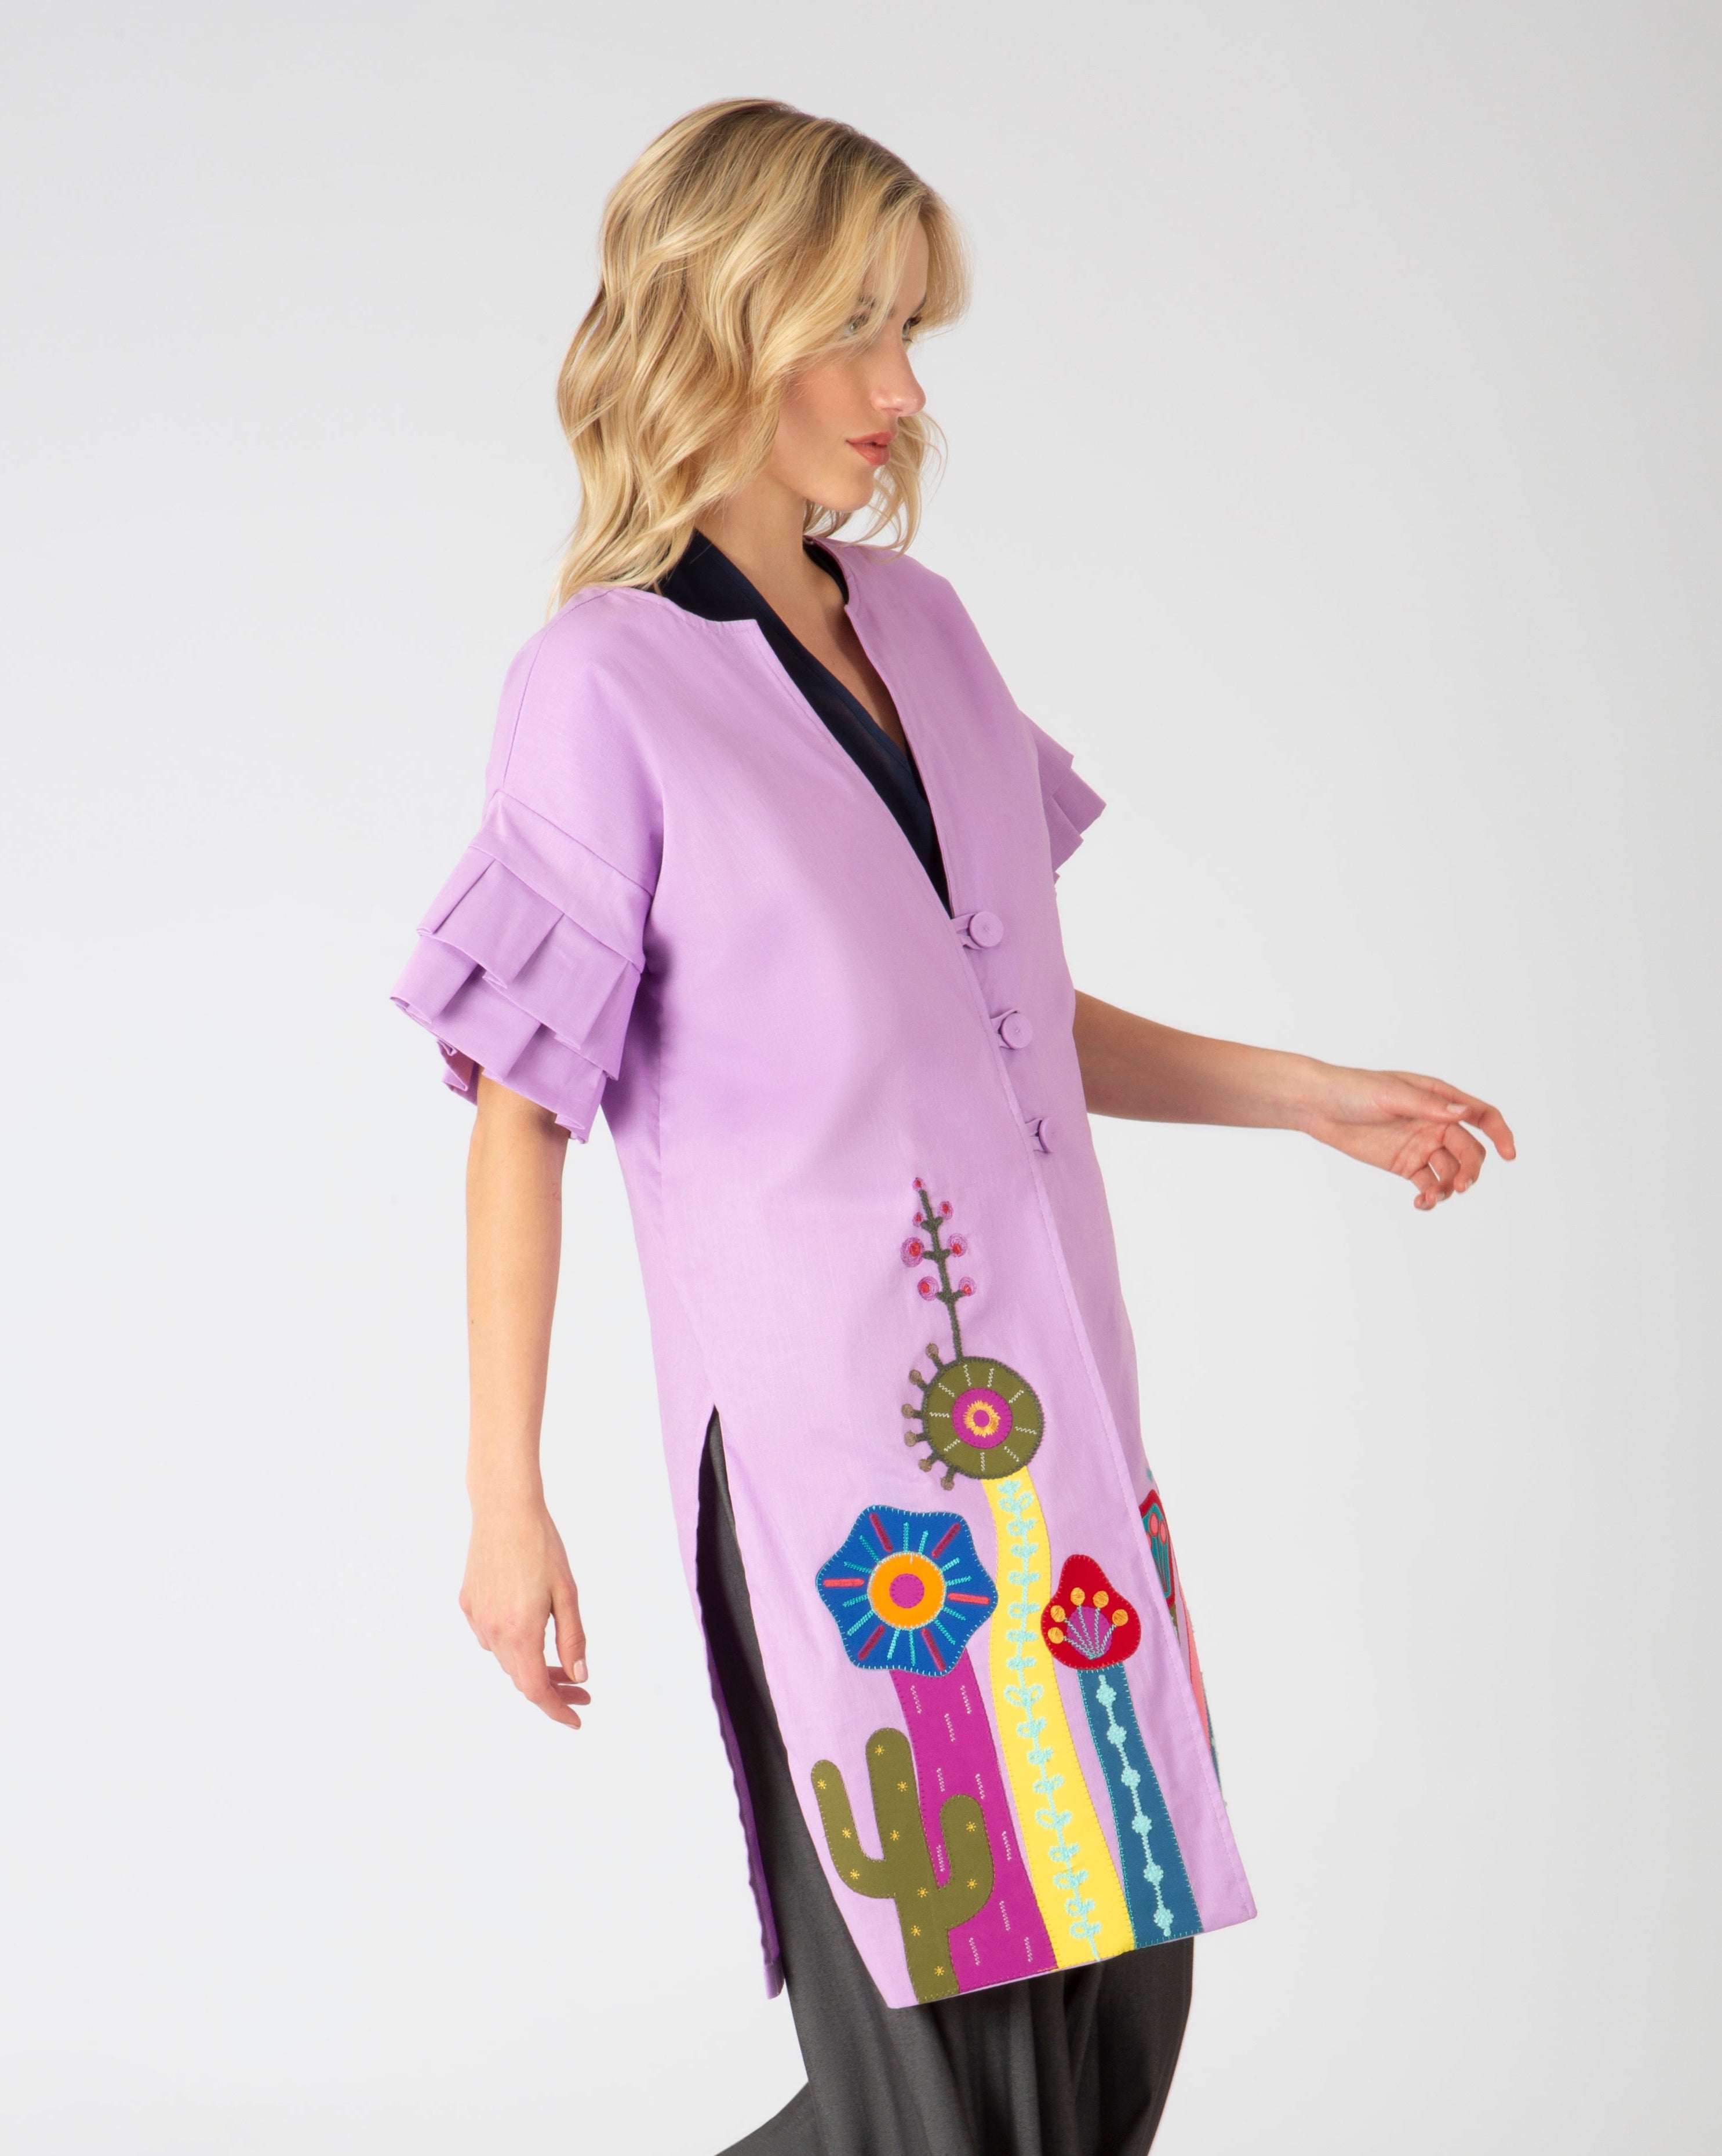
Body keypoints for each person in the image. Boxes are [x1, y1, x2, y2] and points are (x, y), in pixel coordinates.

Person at [391, 98, 1515, 2156]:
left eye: (908, 331)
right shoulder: (601, 688)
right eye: (850, 330)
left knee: (1105, 2037)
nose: (899, 390)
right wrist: (502, 1500)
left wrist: (1306, 1097)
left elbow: (999, 1024)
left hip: (1059, 1450)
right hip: (850, 1496)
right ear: (717, 326)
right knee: (957, 2088)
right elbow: (522, 1113)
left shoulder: (927, 634)